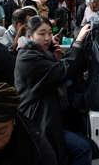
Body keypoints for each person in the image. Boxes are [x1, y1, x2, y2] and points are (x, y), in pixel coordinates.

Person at [14, 15, 92, 165]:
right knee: (82, 149)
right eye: (42, 34)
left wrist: (55, 58)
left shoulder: (40, 53)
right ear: (29, 36)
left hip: (49, 117)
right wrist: (78, 42)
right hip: (38, 120)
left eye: (49, 33)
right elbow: (62, 71)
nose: (47, 37)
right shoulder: (27, 57)